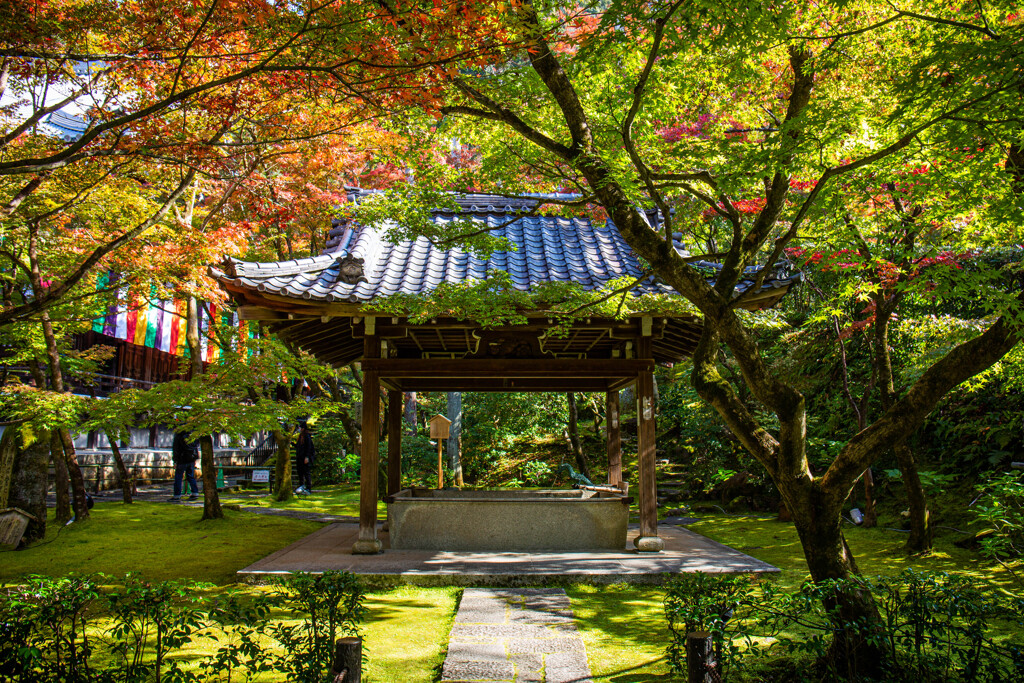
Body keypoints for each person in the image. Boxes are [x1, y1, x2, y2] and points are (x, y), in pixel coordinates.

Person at [171, 430, 200, 502]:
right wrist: (195, 458)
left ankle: (177, 495)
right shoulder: (192, 435)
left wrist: (175, 460)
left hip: (182, 459)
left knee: (178, 477)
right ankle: (195, 492)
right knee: (190, 476)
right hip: (191, 459)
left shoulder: (179, 436)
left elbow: (176, 449)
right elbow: (195, 448)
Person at [295, 423, 315, 495]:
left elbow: (308, 447)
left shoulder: (307, 437)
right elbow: (298, 446)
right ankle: (301, 486)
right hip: (300, 457)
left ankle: (308, 488)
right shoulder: (300, 437)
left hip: (305, 457)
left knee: (306, 473)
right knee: (300, 472)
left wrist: (307, 457)